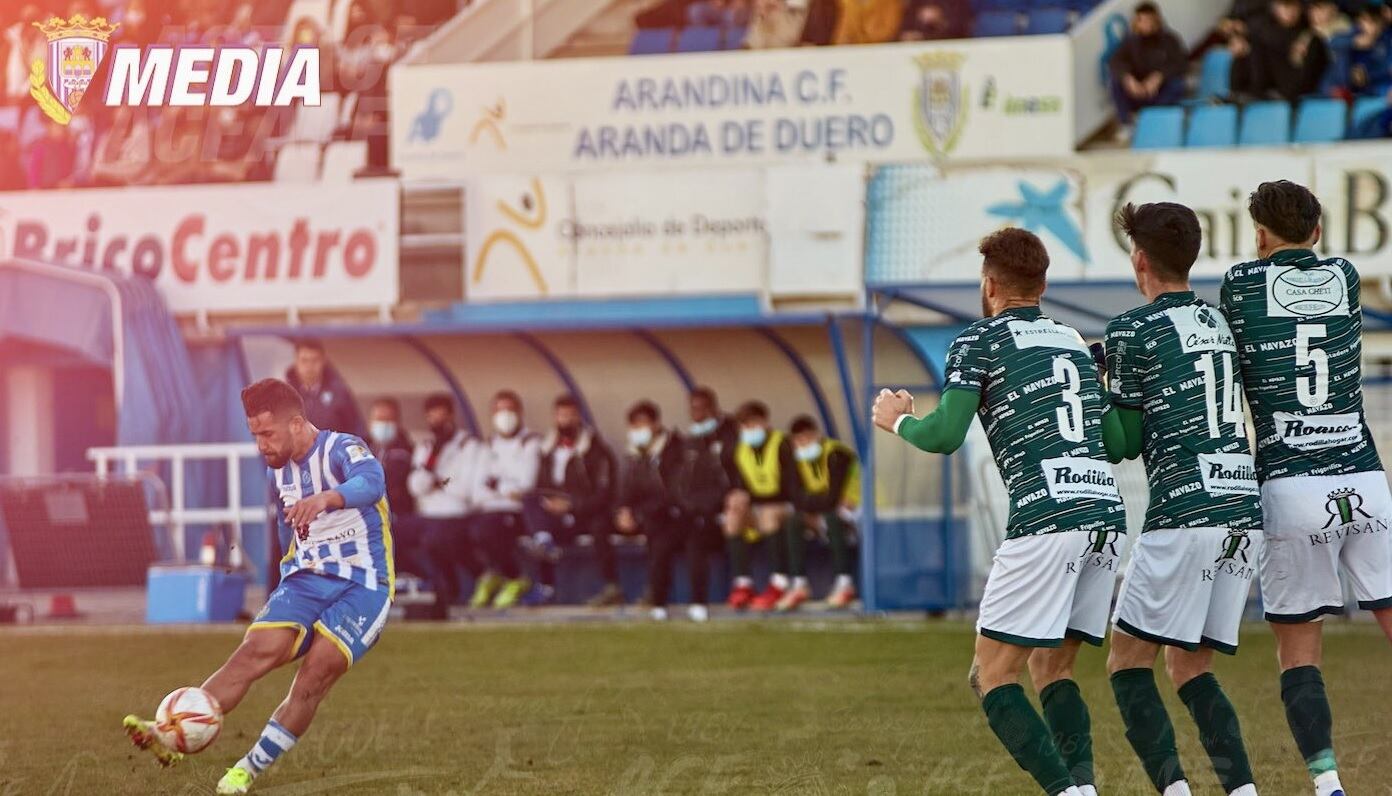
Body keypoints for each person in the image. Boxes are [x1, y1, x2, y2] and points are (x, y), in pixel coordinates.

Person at [872, 228, 1128, 796]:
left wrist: (898, 420)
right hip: (1105, 518)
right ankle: (1082, 787)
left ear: (990, 286)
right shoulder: (1072, 341)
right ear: (1042, 285)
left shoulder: (978, 341)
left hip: (1046, 521)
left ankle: (1069, 793)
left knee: (991, 675)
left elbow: (944, 435)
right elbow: (1113, 443)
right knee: (1051, 669)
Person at [124, 379, 392, 795]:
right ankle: (169, 733)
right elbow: (289, 536)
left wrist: (326, 499)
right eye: (255, 435)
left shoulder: (342, 449)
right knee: (251, 654)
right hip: (305, 580)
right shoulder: (279, 475)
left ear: (298, 424)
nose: (261, 445)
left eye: (267, 434)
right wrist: (285, 584)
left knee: (313, 676)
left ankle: (246, 769)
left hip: (363, 585)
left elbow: (371, 483)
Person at [1221, 180, 1392, 796]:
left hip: (1292, 486)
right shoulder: (1345, 276)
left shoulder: (1241, 284)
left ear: (1260, 236)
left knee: (1300, 652)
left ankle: (1328, 784)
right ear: (1317, 232)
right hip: (1364, 480)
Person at [1104, 203, 1261, 796]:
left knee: (1127, 663)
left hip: (1184, 514)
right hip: (1242, 510)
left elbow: (1123, 444)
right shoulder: (1223, 321)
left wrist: (1099, 395)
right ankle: (1242, 790)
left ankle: (1175, 789)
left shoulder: (1130, 330)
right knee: (1190, 667)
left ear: (1139, 260)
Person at [523, 394, 620, 607]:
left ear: (579, 417)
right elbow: (541, 484)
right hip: (556, 512)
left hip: (584, 512)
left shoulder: (596, 450)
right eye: (560, 415)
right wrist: (551, 503)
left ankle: (611, 586)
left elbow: (604, 493)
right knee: (532, 506)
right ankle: (546, 586)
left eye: (570, 415)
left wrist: (571, 505)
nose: (565, 420)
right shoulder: (548, 449)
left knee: (600, 524)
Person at [723, 400, 801, 611]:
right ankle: (743, 583)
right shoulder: (739, 449)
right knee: (733, 516)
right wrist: (738, 496)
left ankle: (779, 582)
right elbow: (739, 484)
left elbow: (792, 488)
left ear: (765, 422)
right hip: (760, 508)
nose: (749, 430)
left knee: (769, 514)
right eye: (744, 425)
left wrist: (756, 499)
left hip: (786, 508)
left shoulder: (782, 444)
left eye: (753, 424)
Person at [616, 401, 690, 620]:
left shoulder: (676, 449)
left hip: (676, 515)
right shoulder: (634, 454)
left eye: (644, 424)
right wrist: (624, 510)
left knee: (658, 535)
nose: (639, 431)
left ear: (656, 424)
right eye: (635, 426)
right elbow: (627, 488)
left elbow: (674, 491)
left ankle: (658, 597)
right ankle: (619, 589)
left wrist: (639, 513)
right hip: (647, 515)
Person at [408, 395, 481, 615]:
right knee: (393, 533)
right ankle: (425, 583)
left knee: (436, 539)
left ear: (451, 415)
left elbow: (466, 486)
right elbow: (415, 485)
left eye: (441, 414)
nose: (436, 420)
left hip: (456, 513)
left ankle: (451, 587)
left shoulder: (468, 444)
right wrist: (432, 468)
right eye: (431, 415)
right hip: (428, 513)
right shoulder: (427, 446)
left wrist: (440, 483)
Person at [468, 390, 542, 609]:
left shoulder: (531, 442)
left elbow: (525, 484)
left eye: (510, 410)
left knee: (491, 529)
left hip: (520, 512)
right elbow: (477, 489)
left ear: (520, 413)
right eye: (500, 410)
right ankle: (493, 576)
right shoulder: (487, 445)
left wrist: (496, 484)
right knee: (471, 530)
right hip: (489, 510)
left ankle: (516, 578)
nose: (505, 415)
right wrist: (505, 486)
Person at [781, 415, 859, 611]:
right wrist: (814, 507)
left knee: (833, 518)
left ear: (817, 435)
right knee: (794, 521)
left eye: (807, 438)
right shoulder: (797, 458)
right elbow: (795, 496)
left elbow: (834, 496)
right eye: (799, 440)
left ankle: (845, 583)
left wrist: (814, 506)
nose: (803, 444)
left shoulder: (836, 453)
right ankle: (799, 584)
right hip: (823, 511)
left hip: (860, 507)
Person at [1109, 2, 1187, 137]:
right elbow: (1116, 62)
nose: (1146, 24)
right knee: (1116, 82)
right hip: (1138, 90)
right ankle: (1126, 124)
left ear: (1157, 19)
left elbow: (1180, 63)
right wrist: (1128, 79)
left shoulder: (1170, 40)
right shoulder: (1130, 42)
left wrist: (1159, 76)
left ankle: (1153, 120)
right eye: (1141, 20)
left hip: (1160, 91)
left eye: (1149, 20)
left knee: (1177, 85)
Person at [1233, 0, 1331, 102]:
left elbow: (1307, 80)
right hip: (1266, 95)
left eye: (1293, 6)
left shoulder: (1310, 39)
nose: (1289, 11)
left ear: (1300, 8)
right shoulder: (1263, 37)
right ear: (1275, 9)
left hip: (1297, 98)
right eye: (1285, 6)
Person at [284, 339, 362, 437]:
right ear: (296, 362)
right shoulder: (285, 394)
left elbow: (356, 429)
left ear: (323, 361)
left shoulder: (339, 393)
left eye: (315, 360)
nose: (309, 366)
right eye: (304, 360)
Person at [898, 0, 971, 42]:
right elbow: (905, 30)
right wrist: (909, 36)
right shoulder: (916, 3)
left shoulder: (957, 2)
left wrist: (940, 21)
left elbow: (961, 29)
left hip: (951, 49)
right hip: (920, 51)